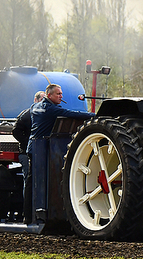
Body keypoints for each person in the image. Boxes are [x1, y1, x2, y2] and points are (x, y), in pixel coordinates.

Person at [25, 84, 95, 223]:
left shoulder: (35, 107)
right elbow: (71, 114)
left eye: (61, 93)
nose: (61, 96)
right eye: (58, 94)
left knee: (31, 182)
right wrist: (94, 116)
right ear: (49, 95)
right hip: (40, 148)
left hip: (34, 147)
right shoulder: (50, 109)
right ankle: (36, 215)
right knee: (37, 183)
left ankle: (29, 216)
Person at [11, 91, 45, 223]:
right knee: (28, 182)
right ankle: (28, 214)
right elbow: (15, 131)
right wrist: (29, 142)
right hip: (26, 153)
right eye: (42, 100)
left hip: (40, 152)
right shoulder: (26, 115)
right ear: (35, 100)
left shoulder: (43, 115)